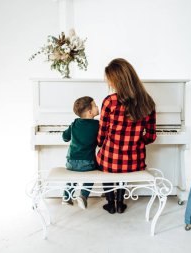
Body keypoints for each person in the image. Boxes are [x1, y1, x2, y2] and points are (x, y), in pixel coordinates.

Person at [97, 58, 157, 214]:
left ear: (117, 81)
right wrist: (136, 142)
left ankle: (111, 203)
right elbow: (151, 137)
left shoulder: (110, 102)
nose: (109, 84)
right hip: (134, 162)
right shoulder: (148, 102)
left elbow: (102, 133)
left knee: (106, 160)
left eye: (110, 81)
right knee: (122, 164)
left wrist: (99, 143)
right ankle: (120, 203)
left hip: (111, 160)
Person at [62, 96, 99, 210]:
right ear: (90, 112)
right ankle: (83, 196)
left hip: (71, 162)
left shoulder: (75, 123)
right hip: (87, 163)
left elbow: (65, 137)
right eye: (95, 106)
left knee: (72, 176)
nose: (98, 107)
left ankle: (67, 196)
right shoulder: (97, 125)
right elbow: (101, 142)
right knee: (93, 172)